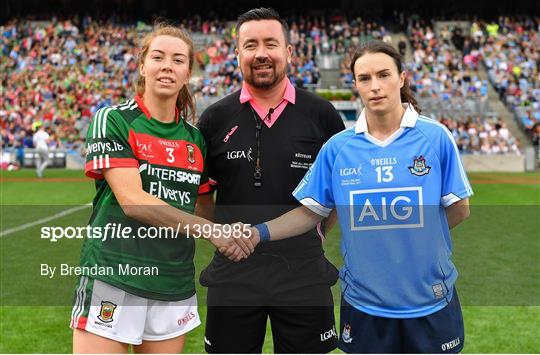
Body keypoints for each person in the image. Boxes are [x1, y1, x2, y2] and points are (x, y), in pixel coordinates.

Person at [247, 40, 473, 353]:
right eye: (365, 78)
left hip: (431, 299)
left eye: (384, 75)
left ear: (402, 78)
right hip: (365, 305)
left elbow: (459, 209)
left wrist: (412, 235)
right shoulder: (338, 148)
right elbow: (310, 212)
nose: (375, 86)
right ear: (355, 84)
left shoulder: (435, 137)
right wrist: (257, 233)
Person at [71, 24, 254, 354]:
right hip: (115, 276)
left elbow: (202, 206)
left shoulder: (195, 139)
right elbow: (134, 202)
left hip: (173, 282)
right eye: (158, 57)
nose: (167, 65)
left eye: (178, 60)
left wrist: (234, 234)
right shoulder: (113, 120)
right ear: (142, 65)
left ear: (188, 73)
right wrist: (214, 232)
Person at [196, 8, 345, 353]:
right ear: (237, 54)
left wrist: (319, 232)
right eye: (250, 45)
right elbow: (202, 196)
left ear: (289, 52)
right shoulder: (216, 118)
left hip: (304, 273)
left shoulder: (321, 115)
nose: (261, 53)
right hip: (233, 272)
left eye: (271, 44)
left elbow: (337, 193)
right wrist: (221, 239)